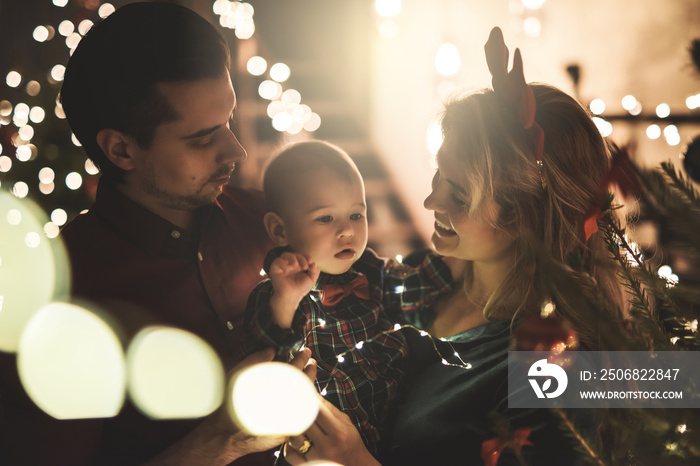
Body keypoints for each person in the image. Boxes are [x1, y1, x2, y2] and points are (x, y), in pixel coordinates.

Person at [281, 28, 627, 465]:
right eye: (438, 176)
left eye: (460, 195)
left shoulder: (562, 367)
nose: (430, 202)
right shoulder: (420, 281)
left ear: (525, 218)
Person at [0, 3, 305, 465]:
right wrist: (221, 440)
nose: (237, 151)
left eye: (228, 121)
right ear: (121, 149)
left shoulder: (267, 220)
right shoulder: (59, 302)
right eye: (203, 138)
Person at [242, 140, 454, 457]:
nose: (347, 231)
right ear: (279, 230)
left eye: (357, 214)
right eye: (326, 218)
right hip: (321, 447)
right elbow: (268, 371)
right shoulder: (275, 294)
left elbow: (417, 286)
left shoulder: (372, 271)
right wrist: (286, 300)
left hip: (394, 431)